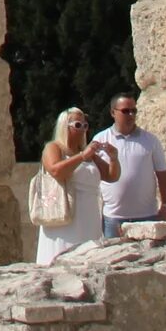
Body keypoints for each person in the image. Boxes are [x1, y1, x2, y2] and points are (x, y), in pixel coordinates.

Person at [33, 106, 112, 264]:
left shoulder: (87, 152)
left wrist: (114, 158)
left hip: (89, 215)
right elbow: (56, 170)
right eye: (77, 125)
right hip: (65, 212)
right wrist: (82, 157)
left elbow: (110, 176)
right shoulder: (54, 148)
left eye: (85, 125)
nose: (82, 129)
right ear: (65, 126)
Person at [89, 92, 166, 233]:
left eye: (134, 111)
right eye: (125, 111)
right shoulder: (101, 139)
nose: (131, 115)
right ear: (112, 112)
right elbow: (91, 173)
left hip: (147, 216)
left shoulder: (150, 140)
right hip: (113, 218)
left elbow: (162, 174)